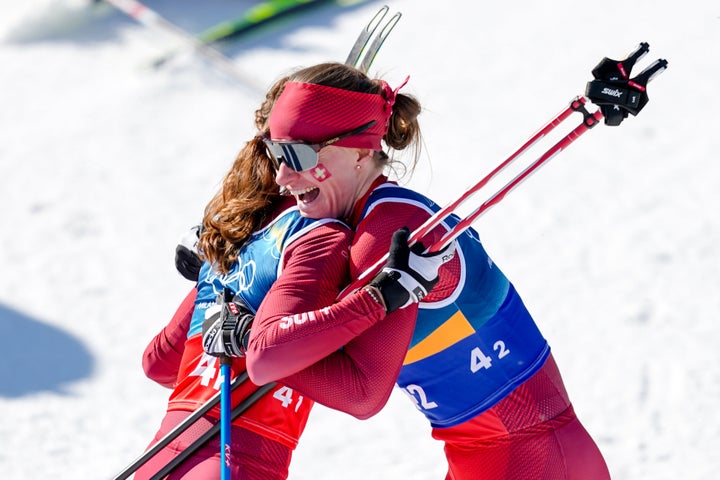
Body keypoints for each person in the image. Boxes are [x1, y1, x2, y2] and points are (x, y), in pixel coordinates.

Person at [205, 62, 612, 480]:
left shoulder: (389, 230)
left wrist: (246, 336)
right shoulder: (370, 217)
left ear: (361, 151)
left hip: (528, 461)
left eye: (297, 156)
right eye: (276, 154)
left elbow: (361, 392)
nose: (282, 176)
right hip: (500, 458)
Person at [138, 84, 448, 478]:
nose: (287, 172)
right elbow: (360, 392)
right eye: (283, 154)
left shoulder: (234, 236)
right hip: (238, 461)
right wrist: (379, 298)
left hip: (161, 458)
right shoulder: (319, 234)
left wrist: (206, 281)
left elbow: (160, 365)